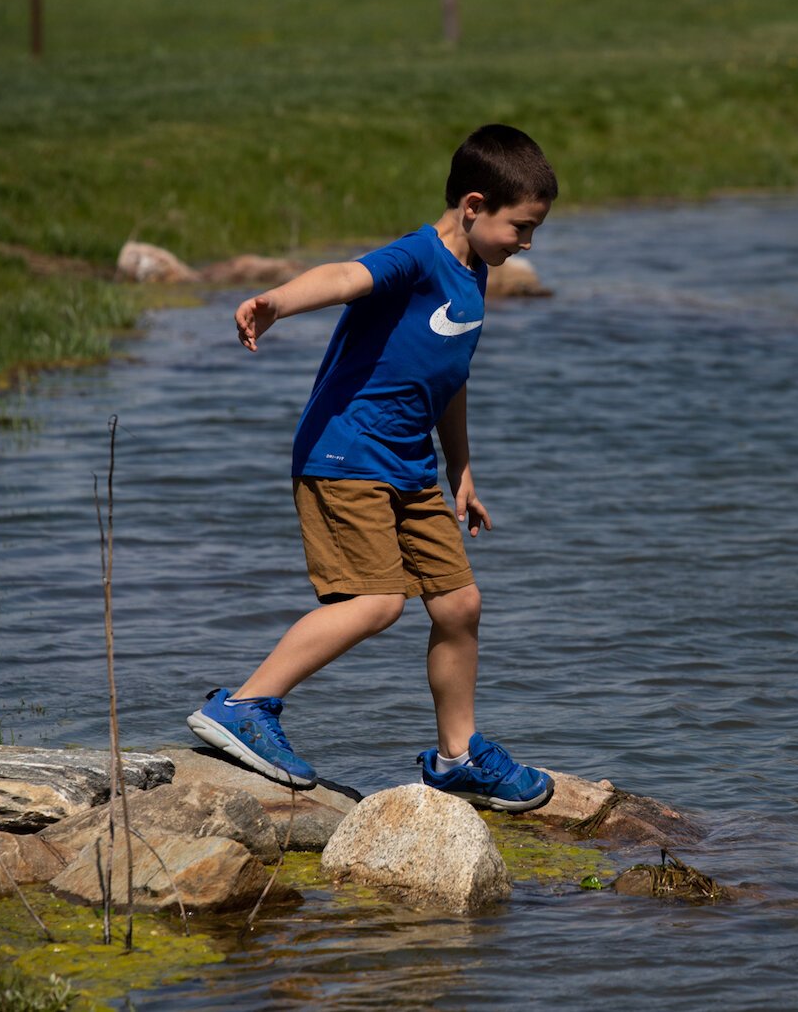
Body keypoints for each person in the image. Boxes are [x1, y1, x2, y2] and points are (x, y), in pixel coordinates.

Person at [186, 124, 556, 812]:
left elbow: (448, 374)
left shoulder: (474, 274)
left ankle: (456, 759)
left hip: (412, 465)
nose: (526, 244)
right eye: (521, 228)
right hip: (346, 454)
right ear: (474, 206)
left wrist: (462, 468)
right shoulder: (417, 258)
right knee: (377, 601)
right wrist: (277, 304)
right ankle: (244, 706)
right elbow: (343, 277)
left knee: (459, 604)